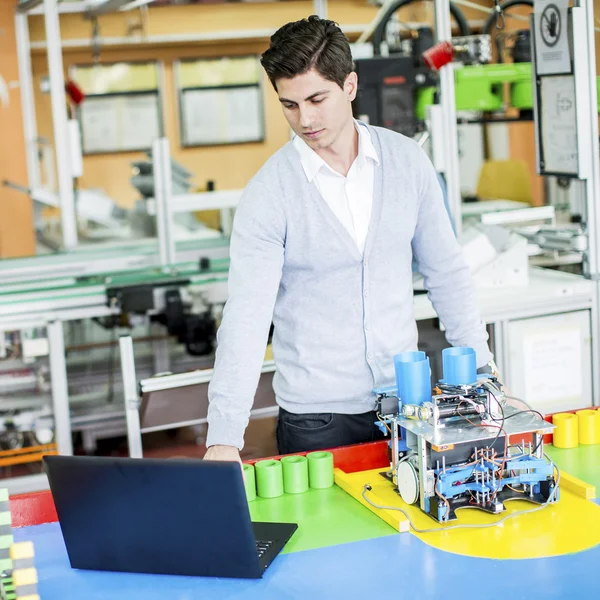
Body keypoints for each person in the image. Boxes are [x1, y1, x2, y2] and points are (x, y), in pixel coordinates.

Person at [203, 15, 495, 464]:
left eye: (317, 98)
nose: (306, 118)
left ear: (351, 86)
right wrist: (224, 436)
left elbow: (447, 274)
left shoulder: (407, 163)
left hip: (407, 405)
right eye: (290, 105)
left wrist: (481, 371)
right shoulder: (268, 193)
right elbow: (246, 317)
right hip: (317, 420)